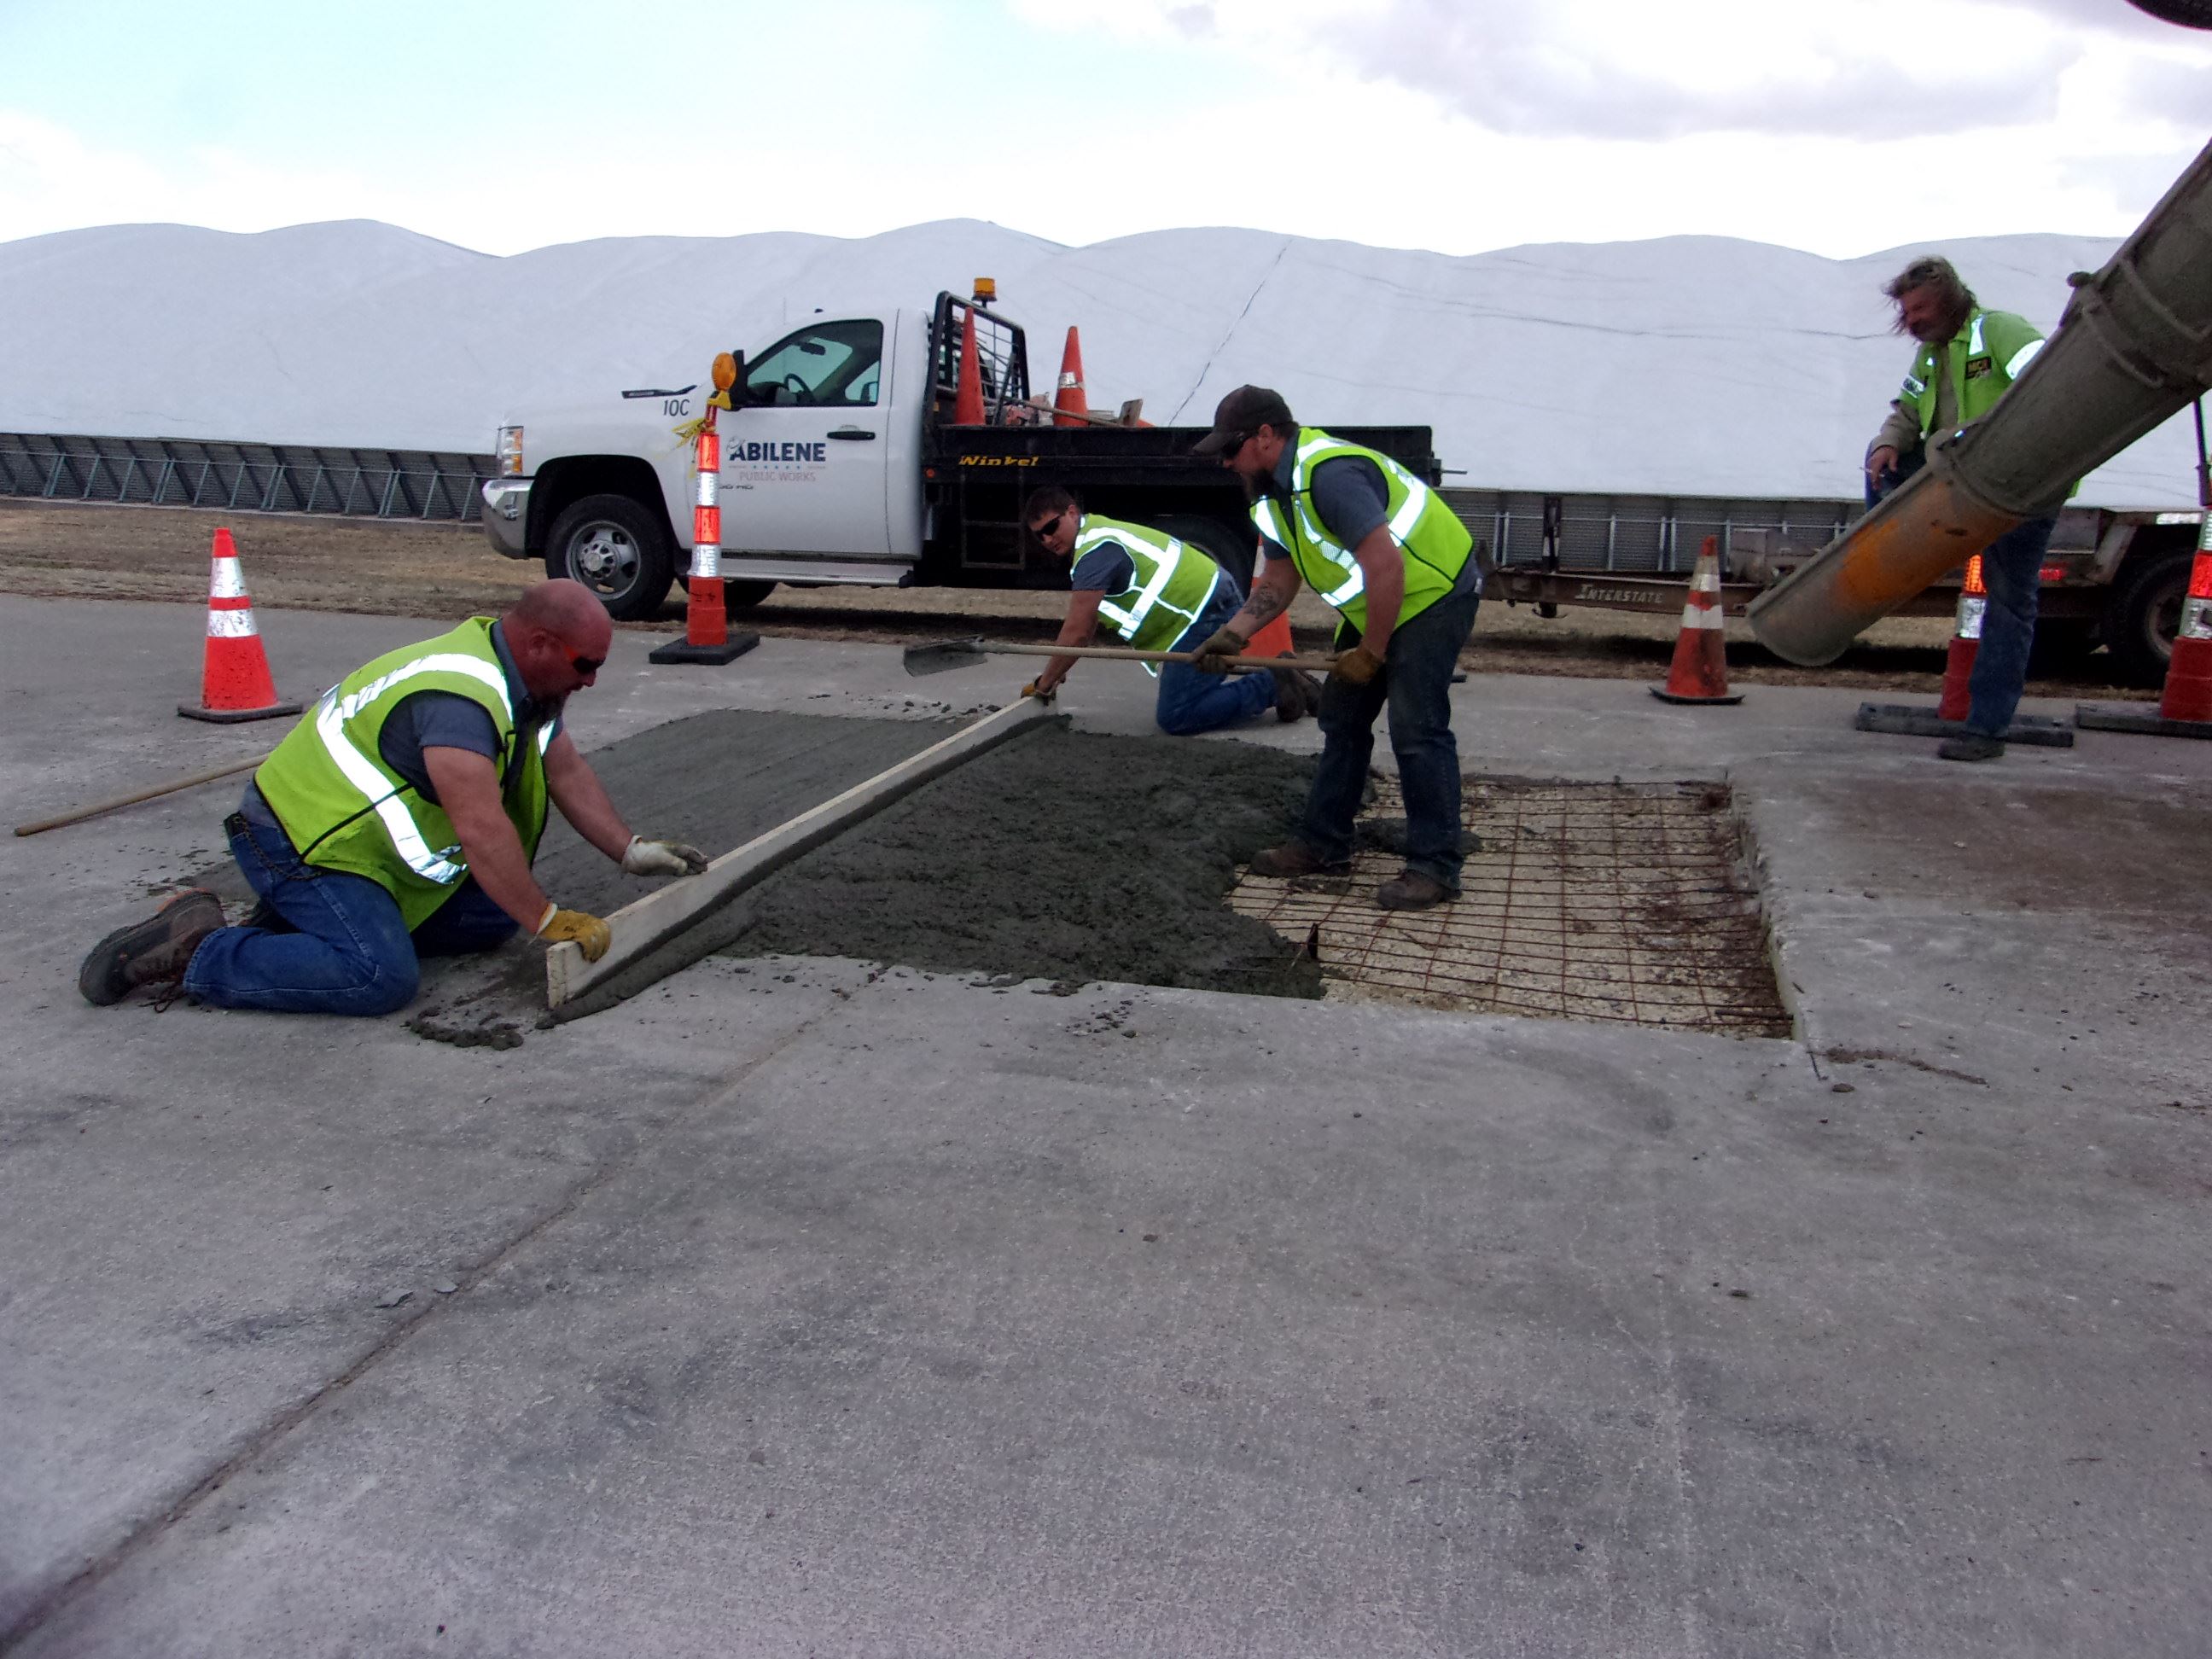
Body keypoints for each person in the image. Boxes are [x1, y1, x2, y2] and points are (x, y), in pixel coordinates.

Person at [78, 579, 707, 1015]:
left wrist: (630, 851)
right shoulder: (459, 703)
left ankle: (301, 933)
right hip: (301, 841)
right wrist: (546, 919)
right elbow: (481, 830)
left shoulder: (523, 684)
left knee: (492, 917)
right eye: (585, 664)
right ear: (541, 644)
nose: (592, 680)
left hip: (365, 854)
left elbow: (565, 769)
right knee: (379, 975)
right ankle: (202, 954)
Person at [1190, 386, 1478, 911]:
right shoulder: (1270, 497)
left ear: (1266, 435)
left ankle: (1435, 866)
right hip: (1380, 603)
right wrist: (1232, 635)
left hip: (1433, 594)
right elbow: (1278, 579)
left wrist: (1371, 653)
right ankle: (1324, 844)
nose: (1227, 463)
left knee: (1417, 730)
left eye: (1231, 450)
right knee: (1342, 721)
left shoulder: (1329, 475)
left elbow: (1385, 565)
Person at [1865, 255, 2058, 763]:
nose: (1914, 321)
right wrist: (1886, 445)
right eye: (1907, 314)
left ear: (1950, 298)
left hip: (2021, 485)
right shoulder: (1930, 356)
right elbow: (1906, 411)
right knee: (1884, 468)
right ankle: (1887, 566)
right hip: (1959, 482)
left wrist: (1964, 437)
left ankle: (1987, 729)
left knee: (2010, 601)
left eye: (1921, 309)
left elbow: (2047, 387)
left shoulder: (1999, 331)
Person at [1018, 485, 1319, 733]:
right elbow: (1086, 627)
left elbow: (1078, 631)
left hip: (1203, 614)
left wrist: (1044, 685)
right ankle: (1282, 680)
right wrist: (1058, 671)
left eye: (1052, 526)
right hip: (1205, 607)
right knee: (1183, 699)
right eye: (1039, 534)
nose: (1047, 538)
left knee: (1177, 715)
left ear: (1072, 513)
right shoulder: (1098, 533)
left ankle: (1275, 682)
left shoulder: (1095, 551)